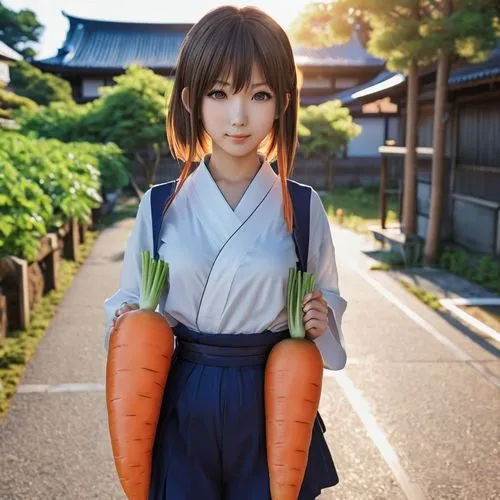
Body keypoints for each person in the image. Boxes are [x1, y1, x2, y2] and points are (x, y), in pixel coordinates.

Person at [103, 5, 348, 499]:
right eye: (220, 93)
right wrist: (129, 317)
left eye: (258, 95)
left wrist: (320, 318)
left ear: (281, 102)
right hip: (182, 394)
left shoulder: (301, 205)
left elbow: (328, 299)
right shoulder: (159, 206)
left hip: (276, 399)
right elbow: (128, 299)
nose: (238, 116)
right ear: (193, 100)